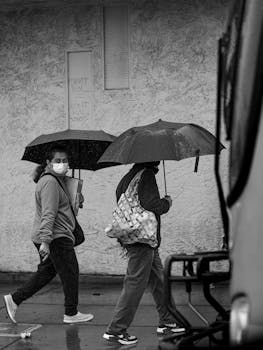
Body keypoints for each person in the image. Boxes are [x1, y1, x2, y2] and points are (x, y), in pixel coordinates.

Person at [3, 145, 93, 324]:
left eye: (65, 160)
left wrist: (75, 200)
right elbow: (49, 213)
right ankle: (71, 313)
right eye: (57, 161)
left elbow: (60, 209)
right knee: (70, 273)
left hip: (55, 235)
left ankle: (14, 299)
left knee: (46, 273)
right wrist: (45, 241)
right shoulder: (50, 182)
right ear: (48, 163)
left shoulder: (57, 181)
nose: (62, 164)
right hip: (55, 236)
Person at [103, 161, 185, 345]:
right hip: (142, 241)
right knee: (135, 283)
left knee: (158, 280)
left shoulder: (129, 176)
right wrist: (166, 202)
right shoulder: (146, 175)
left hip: (141, 240)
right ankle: (116, 330)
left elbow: (124, 202)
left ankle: (167, 320)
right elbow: (152, 204)